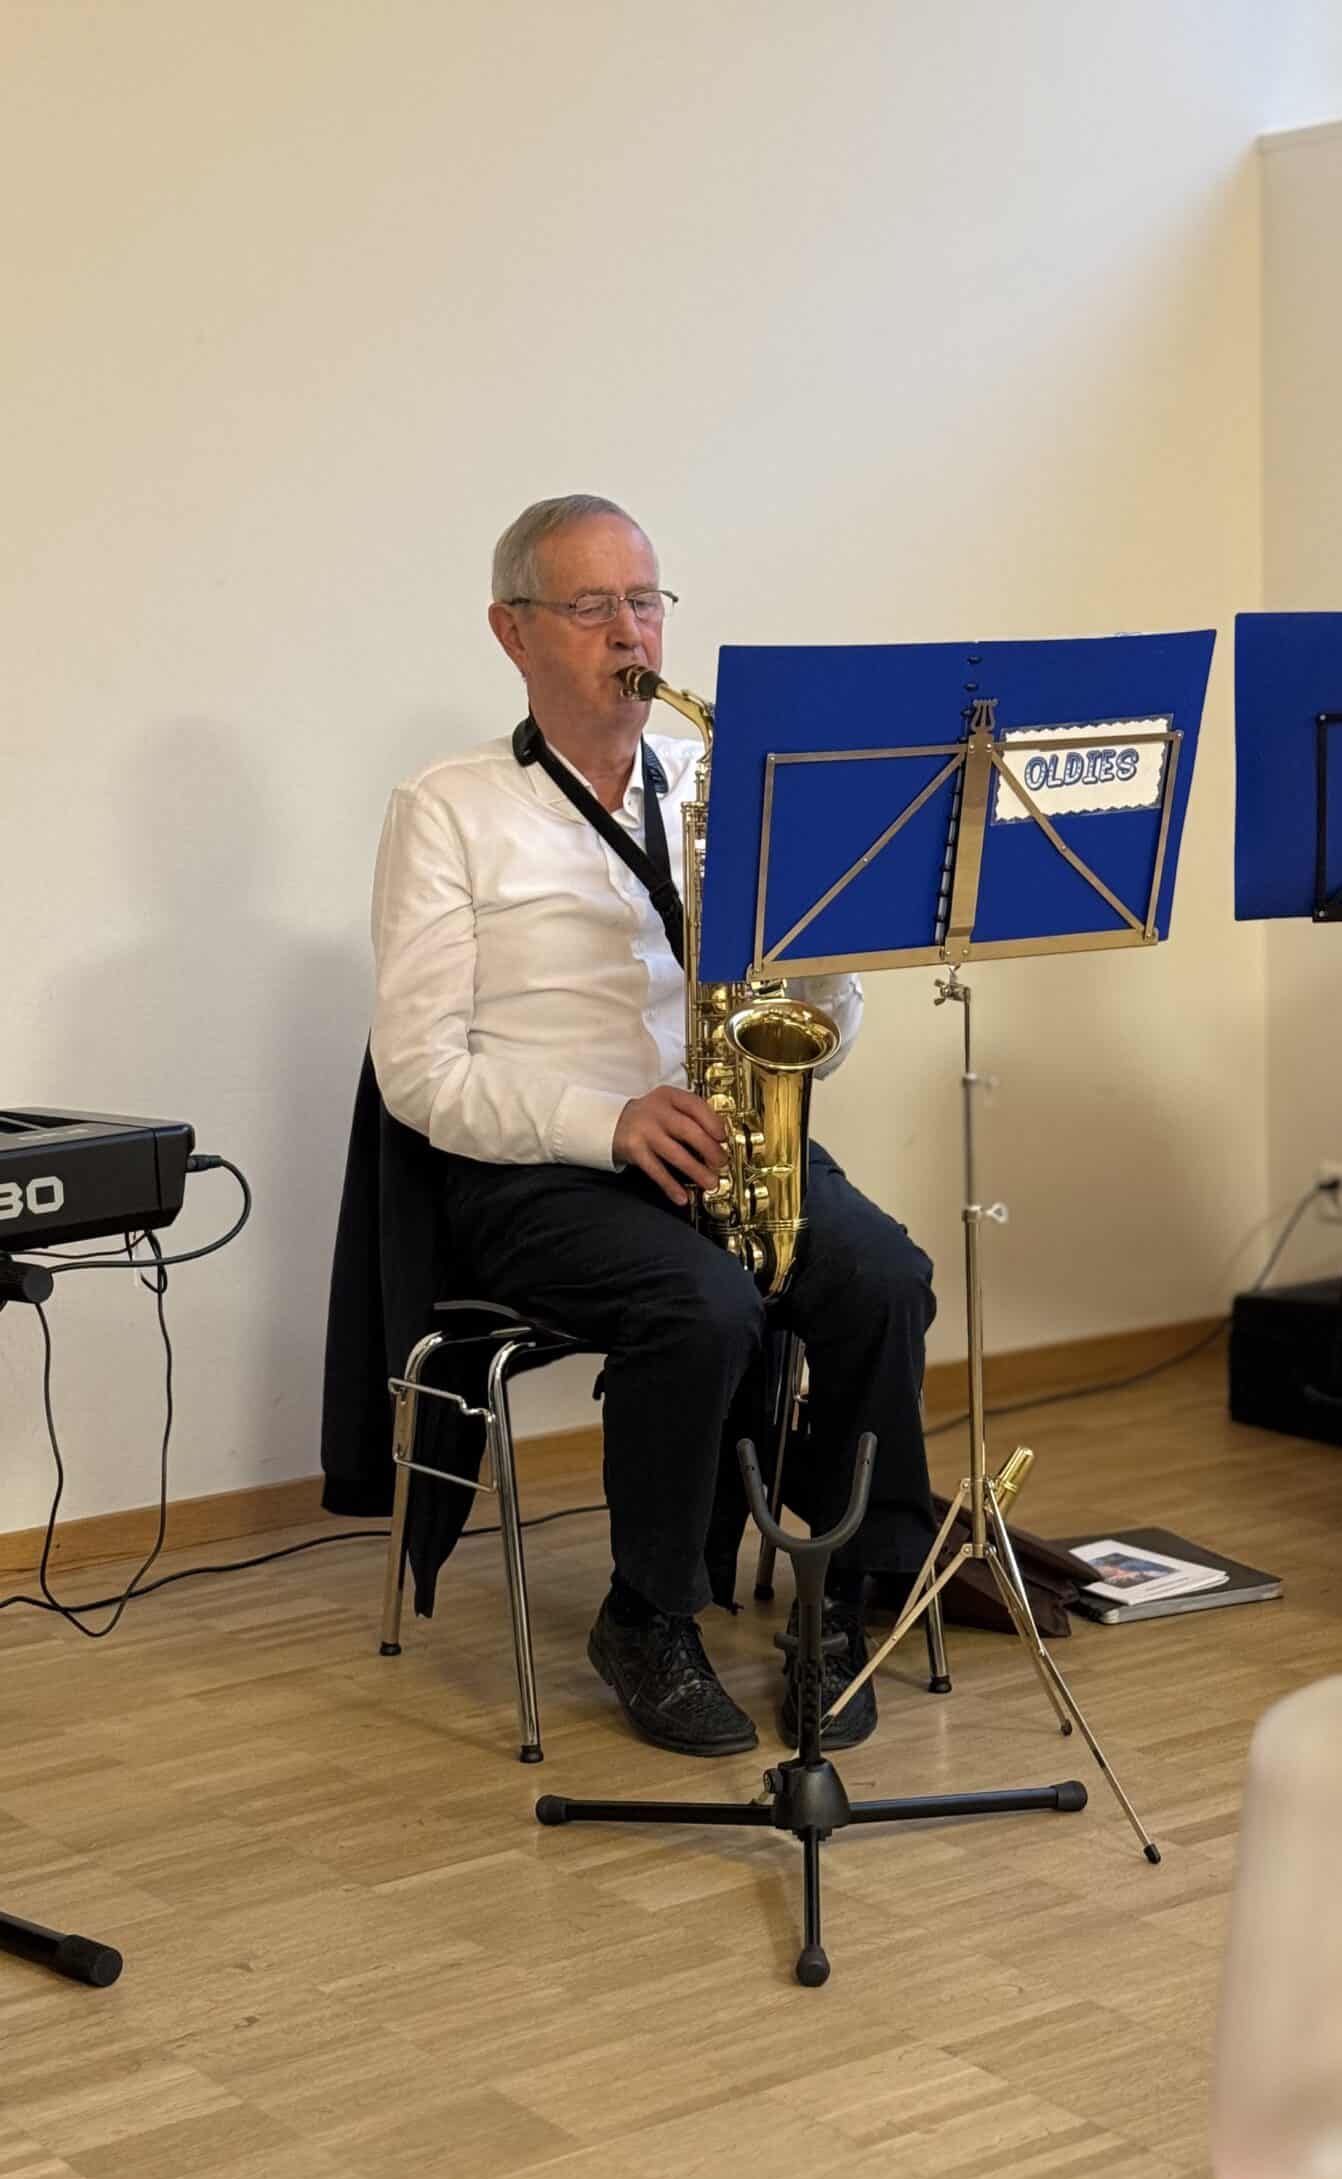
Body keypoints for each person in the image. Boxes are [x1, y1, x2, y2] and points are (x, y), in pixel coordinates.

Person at [369, 493, 937, 1757]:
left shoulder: (722, 778)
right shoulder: (449, 807)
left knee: (883, 1276)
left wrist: (827, 963)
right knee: (706, 1306)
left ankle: (850, 1595)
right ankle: (647, 1616)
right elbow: (418, 1073)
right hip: (539, 1169)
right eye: (591, 606)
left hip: (728, 1134)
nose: (630, 632)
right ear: (513, 632)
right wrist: (608, 1121)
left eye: (644, 600)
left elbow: (817, 1013)